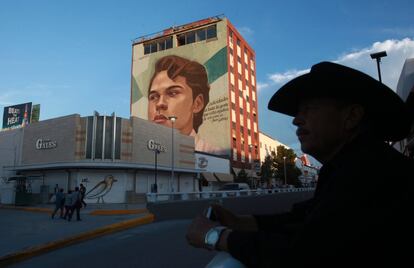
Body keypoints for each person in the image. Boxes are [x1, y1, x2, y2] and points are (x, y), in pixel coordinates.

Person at [186, 61, 413, 267]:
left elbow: (306, 251)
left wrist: (215, 237)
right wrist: (239, 222)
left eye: (309, 108)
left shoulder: (371, 172)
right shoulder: (350, 166)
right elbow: (304, 218)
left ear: (351, 117)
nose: (296, 119)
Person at [147, 55, 223, 155]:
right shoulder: (138, 152)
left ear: (197, 103)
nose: (160, 103)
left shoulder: (214, 155)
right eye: (153, 97)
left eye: (172, 93)